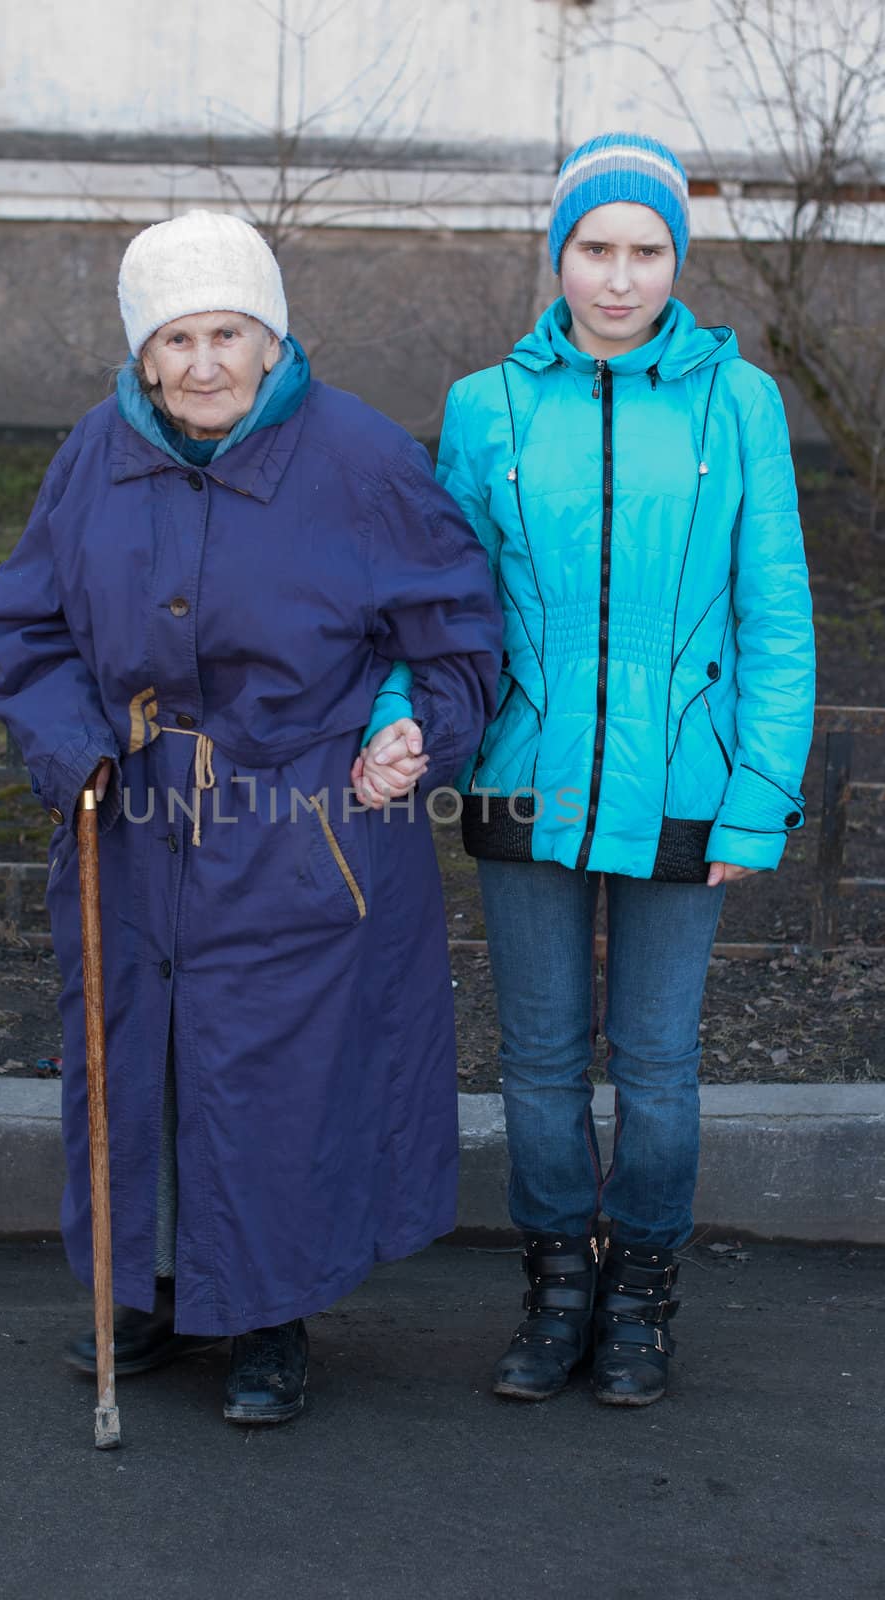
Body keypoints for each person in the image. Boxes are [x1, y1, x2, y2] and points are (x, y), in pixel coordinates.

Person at [0, 210, 502, 1425]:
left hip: (297, 826)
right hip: (132, 818)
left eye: (229, 332)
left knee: (277, 1079)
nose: (204, 362)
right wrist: (70, 749)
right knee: (138, 1060)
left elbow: (456, 633)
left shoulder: (361, 459)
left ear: (271, 341)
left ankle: (269, 1315)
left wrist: (419, 728)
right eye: (177, 339)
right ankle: (150, 1288)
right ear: (142, 356)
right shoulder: (95, 452)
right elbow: (26, 629)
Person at [363, 133, 815, 1406]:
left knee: (660, 1071)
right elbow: (439, 604)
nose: (619, 280)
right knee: (544, 1066)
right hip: (528, 777)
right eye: (595, 249)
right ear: (557, 253)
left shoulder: (742, 403)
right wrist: (402, 718)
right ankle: (559, 1285)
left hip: (686, 786)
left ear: (681, 257)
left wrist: (759, 795)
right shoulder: (486, 405)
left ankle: (643, 1297)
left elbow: (775, 615)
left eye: (647, 251)